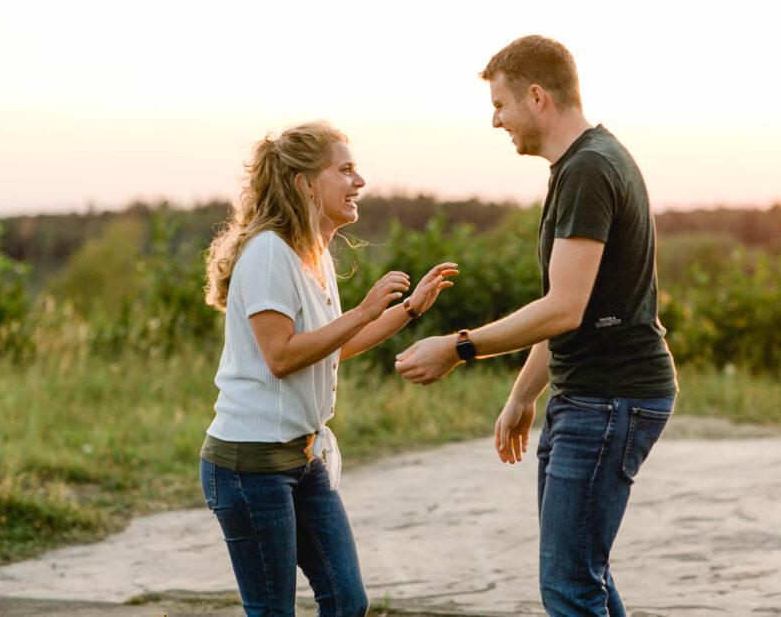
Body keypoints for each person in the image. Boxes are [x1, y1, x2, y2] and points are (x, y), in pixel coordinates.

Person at [395, 36, 677, 616]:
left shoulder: (590, 169)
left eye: (499, 105)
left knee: (570, 587)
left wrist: (458, 345)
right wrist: (523, 396)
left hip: (609, 398)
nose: (495, 121)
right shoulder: (584, 162)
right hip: (591, 395)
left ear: (536, 96)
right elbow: (568, 306)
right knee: (583, 578)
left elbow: (562, 308)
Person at [201, 120, 458, 617]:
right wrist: (363, 310)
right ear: (306, 184)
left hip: (302, 459)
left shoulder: (312, 255)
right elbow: (281, 357)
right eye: (345, 170)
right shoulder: (268, 254)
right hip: (248, 467)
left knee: (347, 600)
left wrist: (408, 310)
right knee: (274, 611)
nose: (359, 182)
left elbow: (333, 346)